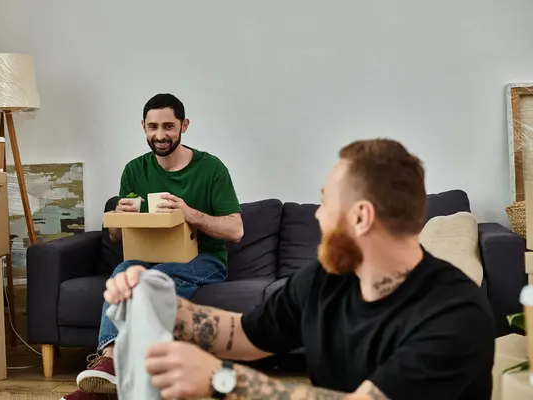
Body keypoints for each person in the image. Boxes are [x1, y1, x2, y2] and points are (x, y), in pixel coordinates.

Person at [101, 138, 495, 400]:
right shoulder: (328, 278)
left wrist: (223, 380)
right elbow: (244, 334)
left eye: (326, 203)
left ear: (361, 217)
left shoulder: (455, 314)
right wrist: (156, 298)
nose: (319, 216)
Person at [63, 93, 244, 400]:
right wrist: (120, 218)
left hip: (204, 260)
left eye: (169, 126)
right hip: (145, 257)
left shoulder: (211, 168)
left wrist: (191, 215)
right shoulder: (135, 170)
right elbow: (118, 238)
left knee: (151, 280)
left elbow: (236, 230)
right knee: (122, 273)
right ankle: (109, 363)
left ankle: (111, 381)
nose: (160, 135)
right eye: (153, 127)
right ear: (143, 127)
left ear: (184, 126)